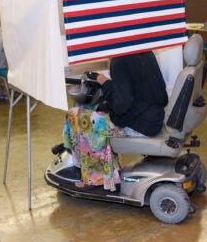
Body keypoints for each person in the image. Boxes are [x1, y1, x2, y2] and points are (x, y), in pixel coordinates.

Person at [60, 51, 168, 191]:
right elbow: (154, 94)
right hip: (153, 119)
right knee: (97, 111)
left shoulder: (120, 60)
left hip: (138, 126)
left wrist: (103, 81)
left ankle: (97, 178)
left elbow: (120, 106)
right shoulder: (146, 52)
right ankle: (109, 170)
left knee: (76, 115)